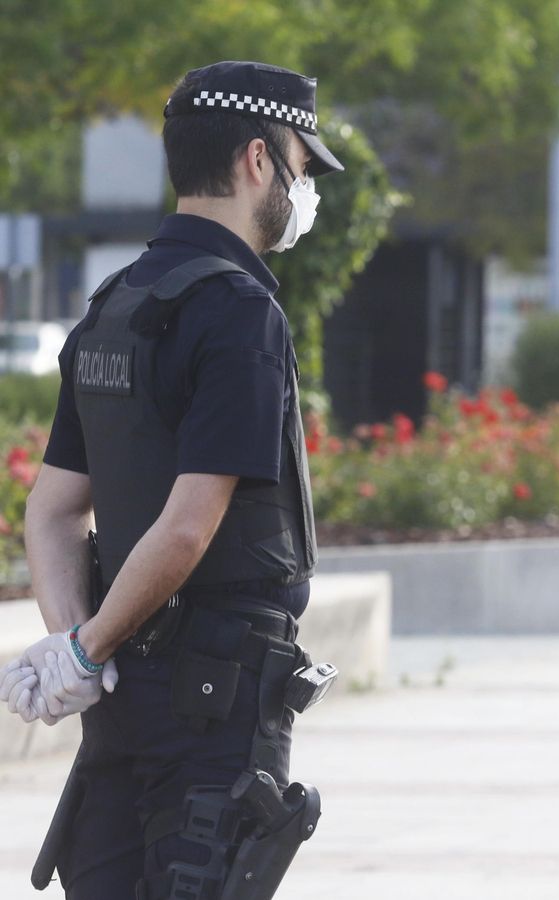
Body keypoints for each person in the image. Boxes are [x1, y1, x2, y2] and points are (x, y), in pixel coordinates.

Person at [0, 61, 342, 899]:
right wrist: (83, 646)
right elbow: (189, 526)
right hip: (212, 704)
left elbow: (49, 512)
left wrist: (77, 651)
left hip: (121, 699)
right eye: (302, 167)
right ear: (258, 160)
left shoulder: (118, 299)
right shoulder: (237, 311)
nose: (303, 191)